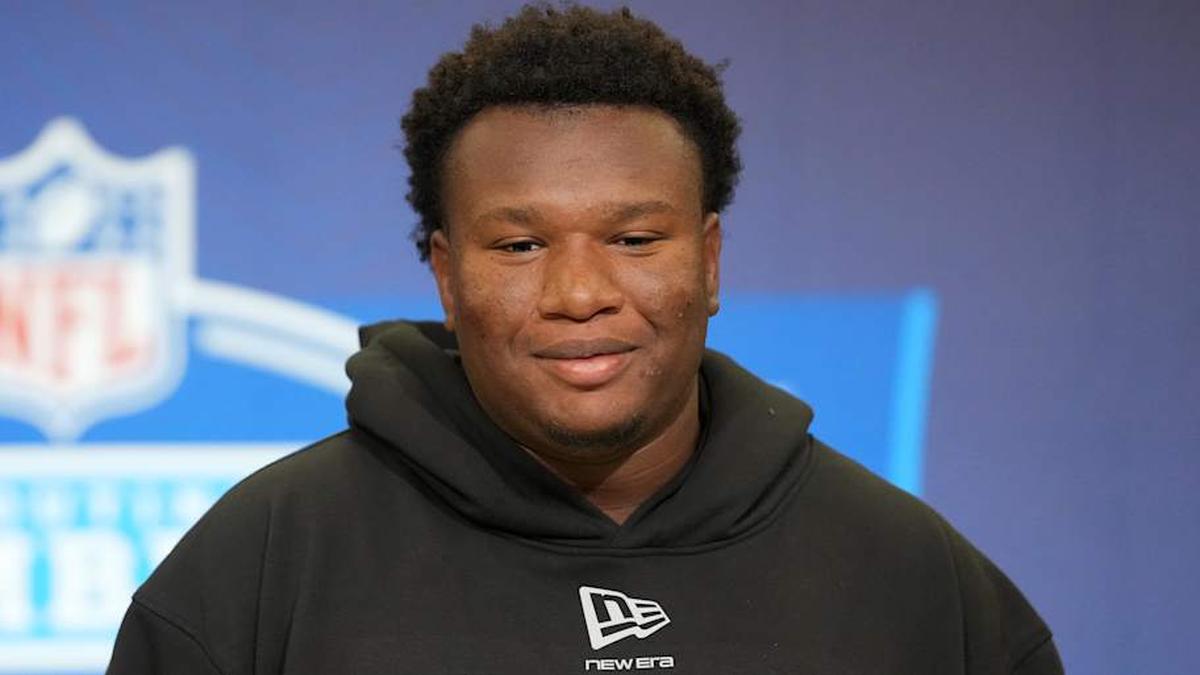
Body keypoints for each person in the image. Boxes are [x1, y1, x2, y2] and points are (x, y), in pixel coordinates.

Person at [107, 4, 1063, 673]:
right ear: (446, 274)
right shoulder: (262, 563)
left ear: (711, 257)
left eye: (635, 239)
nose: (578, 293)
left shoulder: (915, 580)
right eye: (519, 244)